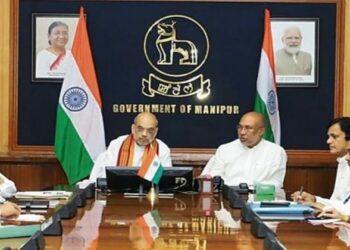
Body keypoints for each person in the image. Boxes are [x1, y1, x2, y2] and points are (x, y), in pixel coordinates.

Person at [201, 111, 287, 188]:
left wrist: (252, 188)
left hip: (261, 198)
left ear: (261, 131)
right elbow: (215, 176)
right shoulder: (224, 149)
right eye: (240, 127)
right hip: (229, 196)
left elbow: (276, 183)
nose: (242, 132)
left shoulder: (276, 152)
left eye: (248, 128)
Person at [89, 112, 172, 182]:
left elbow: (166, 181)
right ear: (133, 128)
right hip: (119, 195)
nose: (144, 134)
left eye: (150, 131)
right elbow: (105, 176)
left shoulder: (163, 149)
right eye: (140, 129)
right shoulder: (117, 145)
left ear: (156, 132)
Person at [291, 117, 350, 211]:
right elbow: (339, 203)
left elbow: (346, 209)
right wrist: (314, 199)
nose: (328, 141)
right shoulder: (342, 162)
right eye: (329, 137)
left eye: (334, 137)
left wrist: (317, 204)